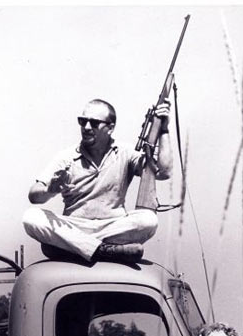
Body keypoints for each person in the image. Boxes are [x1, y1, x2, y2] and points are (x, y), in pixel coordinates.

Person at [23, 98, 172, 263]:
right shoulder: (66, 157)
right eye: (82, 121)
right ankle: (104, 250)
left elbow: (163, 172)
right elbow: (34, 194)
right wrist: (49, 190)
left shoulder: (126, 153)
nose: (86, 127)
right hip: (75, 227)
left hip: (112, 228)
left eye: (94, 123)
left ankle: (74, 248)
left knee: (149, 220)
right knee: (31, 217)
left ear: (110, 128)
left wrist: (163, 130)